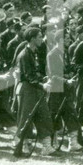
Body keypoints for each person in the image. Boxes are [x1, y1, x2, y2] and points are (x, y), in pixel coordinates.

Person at [14, 26, 57, 157]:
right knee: (25, 119)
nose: (41, 40)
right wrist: (42, 84)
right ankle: (23, 146)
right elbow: (28, 76)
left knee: (44, 116)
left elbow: (35, 73)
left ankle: (46, 147)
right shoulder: (24, 55)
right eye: (39, 37)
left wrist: (43, 78)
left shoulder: (34, 52)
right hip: (28, 89)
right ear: (32, 39)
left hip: (35, 89)